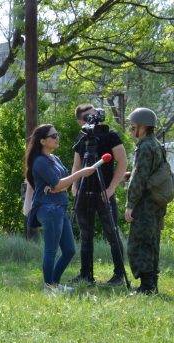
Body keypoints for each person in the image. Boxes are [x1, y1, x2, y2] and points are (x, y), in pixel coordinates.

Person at [25, 124, 96, 292]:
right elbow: (60, 182)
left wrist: (58, 186)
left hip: (59, 208)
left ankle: (54, 285)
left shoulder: (54, 159)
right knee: (51, 250)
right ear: (42, 141)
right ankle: (49, 287)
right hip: (49, 209)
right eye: (53, 136)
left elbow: (62, 183)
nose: (57, 138)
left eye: (57, 134)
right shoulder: (40, 162)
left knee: (69, 250)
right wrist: (81, 173)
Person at [70, 104, 128, 285]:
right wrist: (74, 186)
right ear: (81, 120)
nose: (94, 118)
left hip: (104, 193)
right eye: (89, 116)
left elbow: (122, 162)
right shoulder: (82, 138)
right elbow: (77, 166)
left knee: (112, 234)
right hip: (84, 193)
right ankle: (86, 275)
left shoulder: (111, 136)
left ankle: (119, 275)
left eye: (95, 114)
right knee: (86, 236)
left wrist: (111, 189)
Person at [125, 107, 167, 294]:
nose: (132, 130)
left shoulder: (145, 147)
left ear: (143, 127)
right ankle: (151, 285)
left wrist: (130, 205)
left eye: (133, 126)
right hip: (157, 204)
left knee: (139, 243)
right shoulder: (157, 144)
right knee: (151, 243)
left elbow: (139, 180)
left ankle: (146, 287)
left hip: (145, 205)